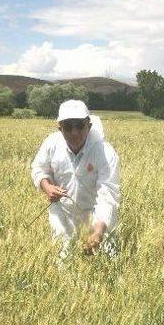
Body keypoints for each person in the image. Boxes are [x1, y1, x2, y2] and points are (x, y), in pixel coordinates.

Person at [31, 100, 121, 257]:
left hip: (97, 216)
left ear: (89, 125)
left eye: (79, 125)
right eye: (68, 127)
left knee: (105, 264)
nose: (74, 132)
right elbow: (39, 169)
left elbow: (108, 194)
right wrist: (47, 187)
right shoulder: (52, 144)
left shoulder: (105, 152)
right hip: (62, 213)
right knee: (63, 262)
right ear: (60, 128)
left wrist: (98, 232)